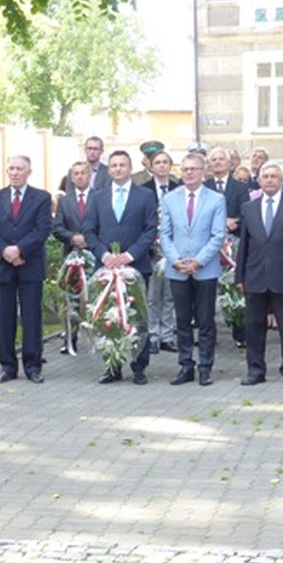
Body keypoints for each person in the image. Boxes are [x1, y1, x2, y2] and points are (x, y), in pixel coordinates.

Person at [83, 149, 158, 384]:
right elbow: (89, 231)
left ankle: (139, 367)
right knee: (108, 317)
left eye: (122, 165)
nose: (118, 169)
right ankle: (112, 366)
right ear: (109, 170)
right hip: (105, 268)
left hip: (135, 266)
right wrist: (104, 255)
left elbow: (150, 230)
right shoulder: (97, 197)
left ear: (130, 168)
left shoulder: (145, 195)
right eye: (114, 165)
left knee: (137, 317)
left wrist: (129, 255)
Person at [236, 162, 283, 386]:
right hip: (255, 275)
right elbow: (243, 246)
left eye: (273, 176)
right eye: (265, 176)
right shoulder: (249, 208)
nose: (269, 180)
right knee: (254, 327)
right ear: (259, 180)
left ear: (282, 181)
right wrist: (239, 277)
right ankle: (255, 371)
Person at [159, 152, 227, 386]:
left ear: (203, 172)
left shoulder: (216, 199)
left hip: (205, 269)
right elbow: (165, 234)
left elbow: (218, 235)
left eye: (193, 169)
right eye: (185, 169)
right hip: (177, 268)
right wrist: (175, 259)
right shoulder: (170, 198)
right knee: (182, 320)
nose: (189, 173)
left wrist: (198, 261)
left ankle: (205, 367)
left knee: (206, 320)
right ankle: (186, 365)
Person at [0, 154, 52, 384]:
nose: (14, 173)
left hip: (30, 265)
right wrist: (5, 251)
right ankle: (8, 366)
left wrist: (20, 250)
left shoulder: (41, 198)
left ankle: (33, 366)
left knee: (31, 317)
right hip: (3, 267)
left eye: (19, 169)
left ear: (28, 172)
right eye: (11, 168)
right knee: (5, 318)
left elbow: (42, 230)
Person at [53, 161, 94, 355]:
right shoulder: (65, 201)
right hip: (71, 256)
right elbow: (57, 228)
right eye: (75, 173)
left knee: (95, 297)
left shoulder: (100, 197)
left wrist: (89, 240)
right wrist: (72, 238)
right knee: (71, 300)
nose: (79, 176)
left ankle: (98, 337)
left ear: (90, 175)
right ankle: (70, 339)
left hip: (94, 254)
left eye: (83, 173)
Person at [143, 150, 181, 353]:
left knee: (169, 295)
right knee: (152, 295)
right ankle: (152, 335)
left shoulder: (179, 188)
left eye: (165, 162)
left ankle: (167, 335)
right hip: (152, 252)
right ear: (151, 166)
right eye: (157, 162)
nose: (162, 166)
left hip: (174, 251)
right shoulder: (144, 190)